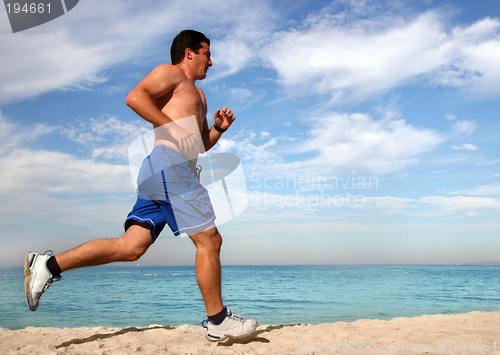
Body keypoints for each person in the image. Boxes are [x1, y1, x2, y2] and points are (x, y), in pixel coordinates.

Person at [24, 29, 257, 342]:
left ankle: (47, 265)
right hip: (169, 167)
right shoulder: (172, 74)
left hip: (165, 171)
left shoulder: (198, 95)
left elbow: (199, 145)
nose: (211, 62)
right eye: (207, 54)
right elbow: (135, 97)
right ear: (189, 53)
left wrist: (217, 129)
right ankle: (218, 321)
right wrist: (171, 127)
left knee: (130, 247)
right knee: (210, 240)